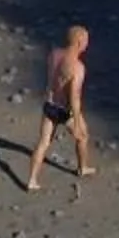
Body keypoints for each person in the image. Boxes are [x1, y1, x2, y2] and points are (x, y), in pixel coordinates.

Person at [25, 24, 96, 191]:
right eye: (86, 40)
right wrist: (77, 121)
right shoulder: (77, 67)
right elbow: (74, 98)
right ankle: (82, 168)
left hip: (49, 104)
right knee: (82, 137)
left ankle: (32, 180)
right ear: (79, 42)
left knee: (43, 143)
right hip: (64, 110)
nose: (87, 43)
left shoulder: (54, 54)